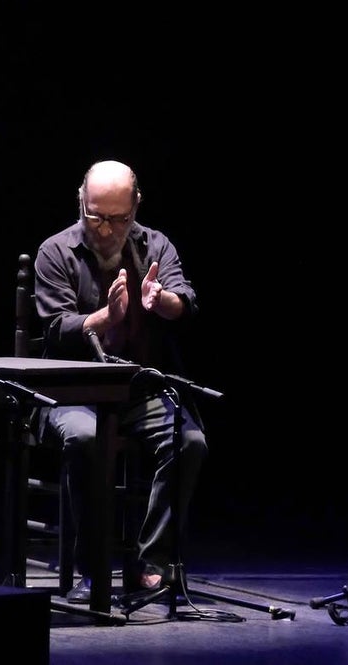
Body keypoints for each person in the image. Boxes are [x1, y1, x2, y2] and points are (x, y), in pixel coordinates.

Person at [32, 159, 207, 603]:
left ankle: (152, 560)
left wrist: (161, 300)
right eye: (95, 216)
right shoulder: (55, 251)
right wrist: (105, 317)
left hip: (137, 393)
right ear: (80, 201)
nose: (105, 229)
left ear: (136, 207)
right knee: (87, 439)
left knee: (189, 442)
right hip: (70, 394)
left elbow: (186, 303)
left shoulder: (156, 246)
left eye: (118, 218)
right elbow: (54, 328)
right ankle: (93, 567)